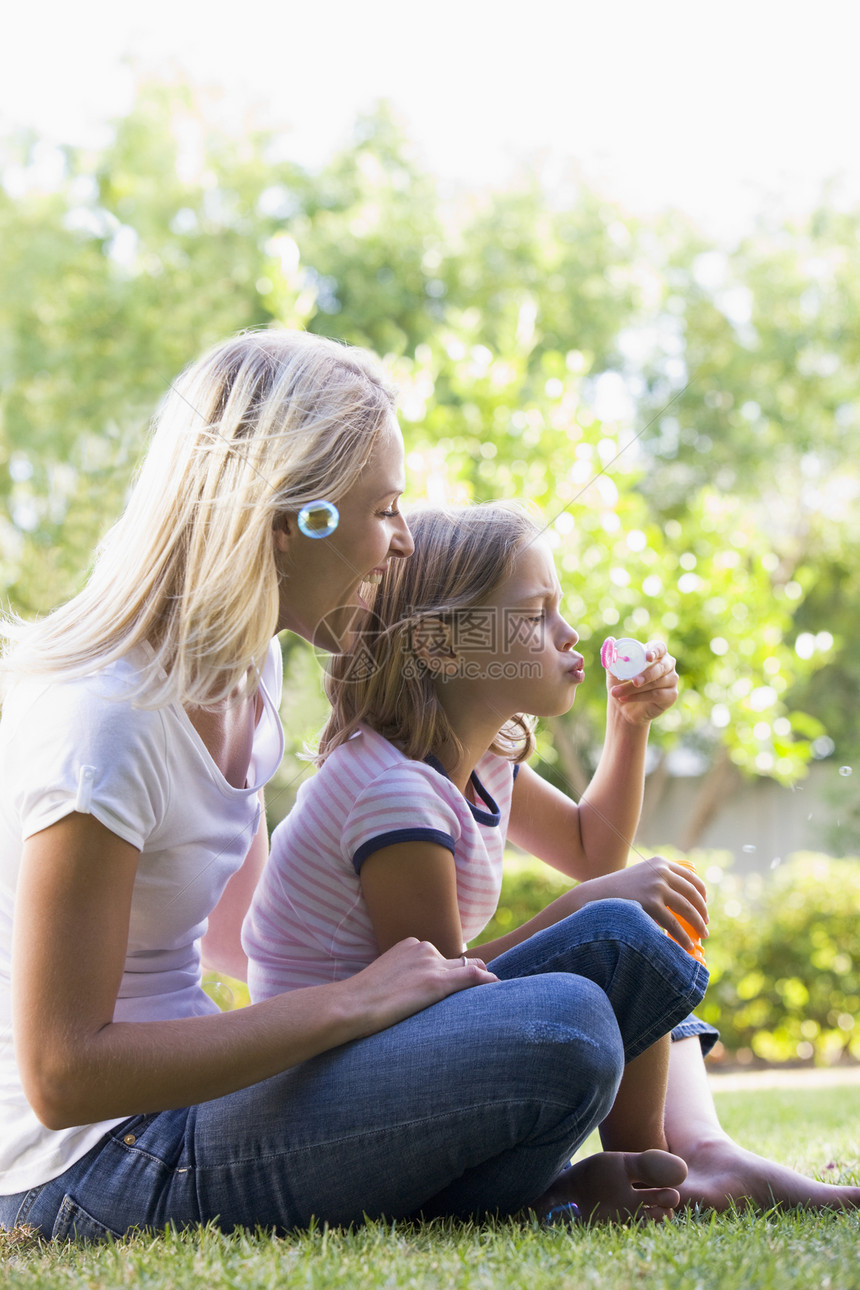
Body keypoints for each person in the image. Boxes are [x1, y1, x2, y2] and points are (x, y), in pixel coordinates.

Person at [0, 329, 708, 1241]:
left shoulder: (244, 680)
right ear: (295, 518)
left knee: (612, 941)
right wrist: (354, 1003)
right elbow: (63, 1077)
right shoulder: (111, 724)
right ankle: (536, 1198)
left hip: (202, 1105)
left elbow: (242, 945)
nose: (401, 544)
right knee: (564, 1027)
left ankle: (599, 1178)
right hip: (92, 1164)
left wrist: (390, 1025)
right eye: (384, 510)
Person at [245, 500, 860, 1217]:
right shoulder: (392, 790)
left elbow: (590, 849)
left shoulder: (485, 760)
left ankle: (694, 1155)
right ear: (443, 647)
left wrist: (627, 726)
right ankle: (660, 1178)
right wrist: (589, 917)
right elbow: (434, 992)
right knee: (619, 935)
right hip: (342, 1090)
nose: (569, 634)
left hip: (395, 1049)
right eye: (536, 615)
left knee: (631, 939)